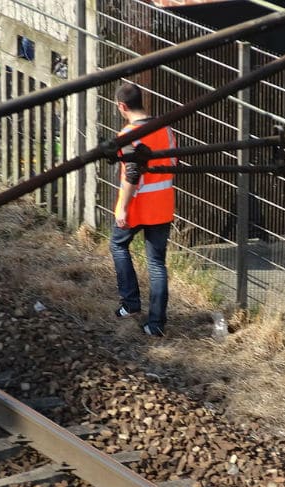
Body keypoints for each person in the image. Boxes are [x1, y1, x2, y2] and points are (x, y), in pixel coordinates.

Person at [110, 83, 177, 337]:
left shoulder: (128, 135)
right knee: (157, 264)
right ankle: (156, 324)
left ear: (122, 106)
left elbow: (132, 175)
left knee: (117, 245)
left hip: (138, 205)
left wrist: (123, 207)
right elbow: (172, 162)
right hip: (163, 204)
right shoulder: (165, 127)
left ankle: (130, 303)